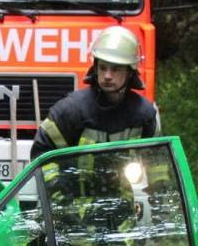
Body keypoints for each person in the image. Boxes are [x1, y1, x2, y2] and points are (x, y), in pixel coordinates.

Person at [29, 25, 161, 159]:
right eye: (103, 68)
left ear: (129, 73)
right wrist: (59, 180)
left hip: (126, 181)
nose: (108, 75)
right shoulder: (69, 111)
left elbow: (157, 162)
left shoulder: (144, 114)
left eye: (115, 69)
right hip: (77, 181)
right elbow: (42, 155)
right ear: (95, 68)